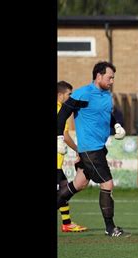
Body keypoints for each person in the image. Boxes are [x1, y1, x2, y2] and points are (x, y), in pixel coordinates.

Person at [57, 61, 130, 237]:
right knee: (107, 183)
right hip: (90, 149)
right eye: (109, 77)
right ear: (98, 76)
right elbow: (62, 115)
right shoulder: (83, 93)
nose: (112, 81)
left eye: (113, 78)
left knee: (79, 183)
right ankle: (110, 227)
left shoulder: (106, 95)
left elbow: (107, 114)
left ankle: (109, 227)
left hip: (99, 147)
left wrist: (117, 125)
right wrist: (59, 137)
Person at [56, 81, 87, 233]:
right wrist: (78, 149)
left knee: (63, 188)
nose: (71, 97)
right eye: (69, 94)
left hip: (58, 161)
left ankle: (67, 223)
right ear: (60, 95)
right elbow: (66, 136)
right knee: (61, 191)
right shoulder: (60, 109)